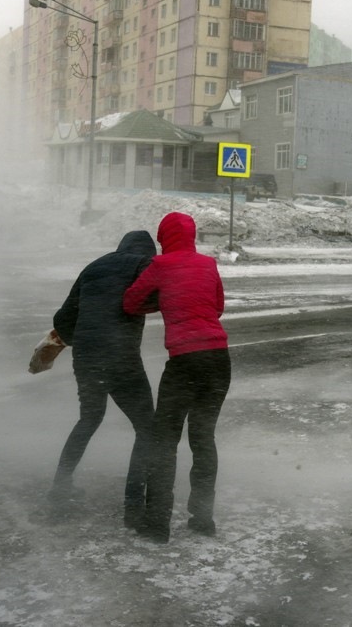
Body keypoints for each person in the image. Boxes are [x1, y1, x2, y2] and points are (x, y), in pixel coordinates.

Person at [122, 212, 231, 543]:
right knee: (203, 438)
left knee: (164, 442)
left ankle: (157, 524)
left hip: (184, 361)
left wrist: (162, 302)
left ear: (163, 238)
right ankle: (202, 518)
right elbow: (217, 307)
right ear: (192, 236)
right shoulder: (208, 265)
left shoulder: (160, 266)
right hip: (218, 359)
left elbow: (130, 303)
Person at [49, 230, 157, 528]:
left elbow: (62, 319)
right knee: (146, 427)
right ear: (148, 251)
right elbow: (159, 296)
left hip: (86, 357)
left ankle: (60, 486)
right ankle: (133, 507)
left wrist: (82, 341)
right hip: (121, 356)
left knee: (89, 418)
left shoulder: (94, 266)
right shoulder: (143, 264)